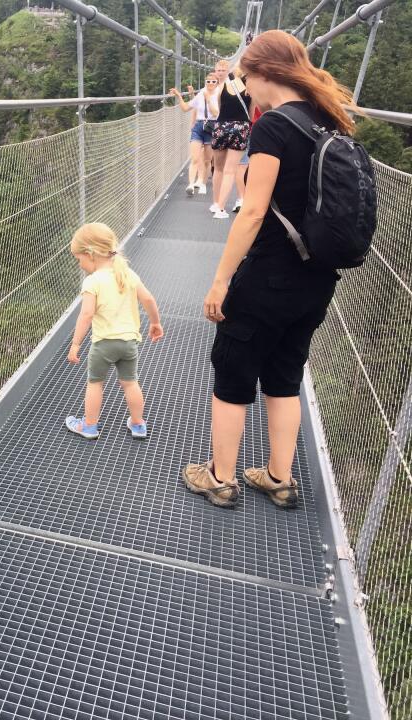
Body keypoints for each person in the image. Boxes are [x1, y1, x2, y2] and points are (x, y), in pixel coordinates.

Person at [182, 30, 354, 508]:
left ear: (262, 74)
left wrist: (220, 281)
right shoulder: (331, 119)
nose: (245, 89)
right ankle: (279, 478)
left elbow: (253, 212)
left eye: (244, 79)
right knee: (285, 374)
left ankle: (220, 477)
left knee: (233, 374)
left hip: (268, 276)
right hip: (318, 279)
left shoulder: (274, 127)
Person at [65, 223, 164, 441]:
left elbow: (87, 315)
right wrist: (155, 322)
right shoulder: (127, 273)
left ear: (90, 254)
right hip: (129, 343)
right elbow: (148, 299)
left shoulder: (92, 281)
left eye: (79, 258)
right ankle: (138, 424)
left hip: (103, 345)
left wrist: (75, 344)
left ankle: (89, 426)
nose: (79, 263)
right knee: (130, 383)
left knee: (95, 383)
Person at [209, 65, 252, 219]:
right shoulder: (249, 89)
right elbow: (251, 114)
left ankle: (215, 204)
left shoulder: (223, 86)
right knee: (230, 170)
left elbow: (220, 110)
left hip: (221, 127)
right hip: (240, 128)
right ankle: (221, 209)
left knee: (218, 168)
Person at [169, 75, 218, 196]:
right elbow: (186, 108)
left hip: (211, 127)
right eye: (208, 81)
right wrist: (179, 96)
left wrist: (209, 99)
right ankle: (190, 184)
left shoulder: (219, 96)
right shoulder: (201, 95)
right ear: (205, 82)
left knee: (207, 160)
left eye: (213, 81)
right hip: (198, 127)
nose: (210, 83)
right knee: (195, 158)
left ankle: (202, 183)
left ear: (217, 83)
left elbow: (216, 113)